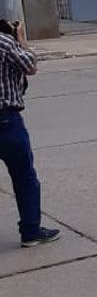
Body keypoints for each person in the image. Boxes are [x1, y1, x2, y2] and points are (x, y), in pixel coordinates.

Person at [0, 19, 60, 247]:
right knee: (24, 177)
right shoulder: (5, 42)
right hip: (6, 121)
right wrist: (21, 39)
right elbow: (30, 66)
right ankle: (31, 231)